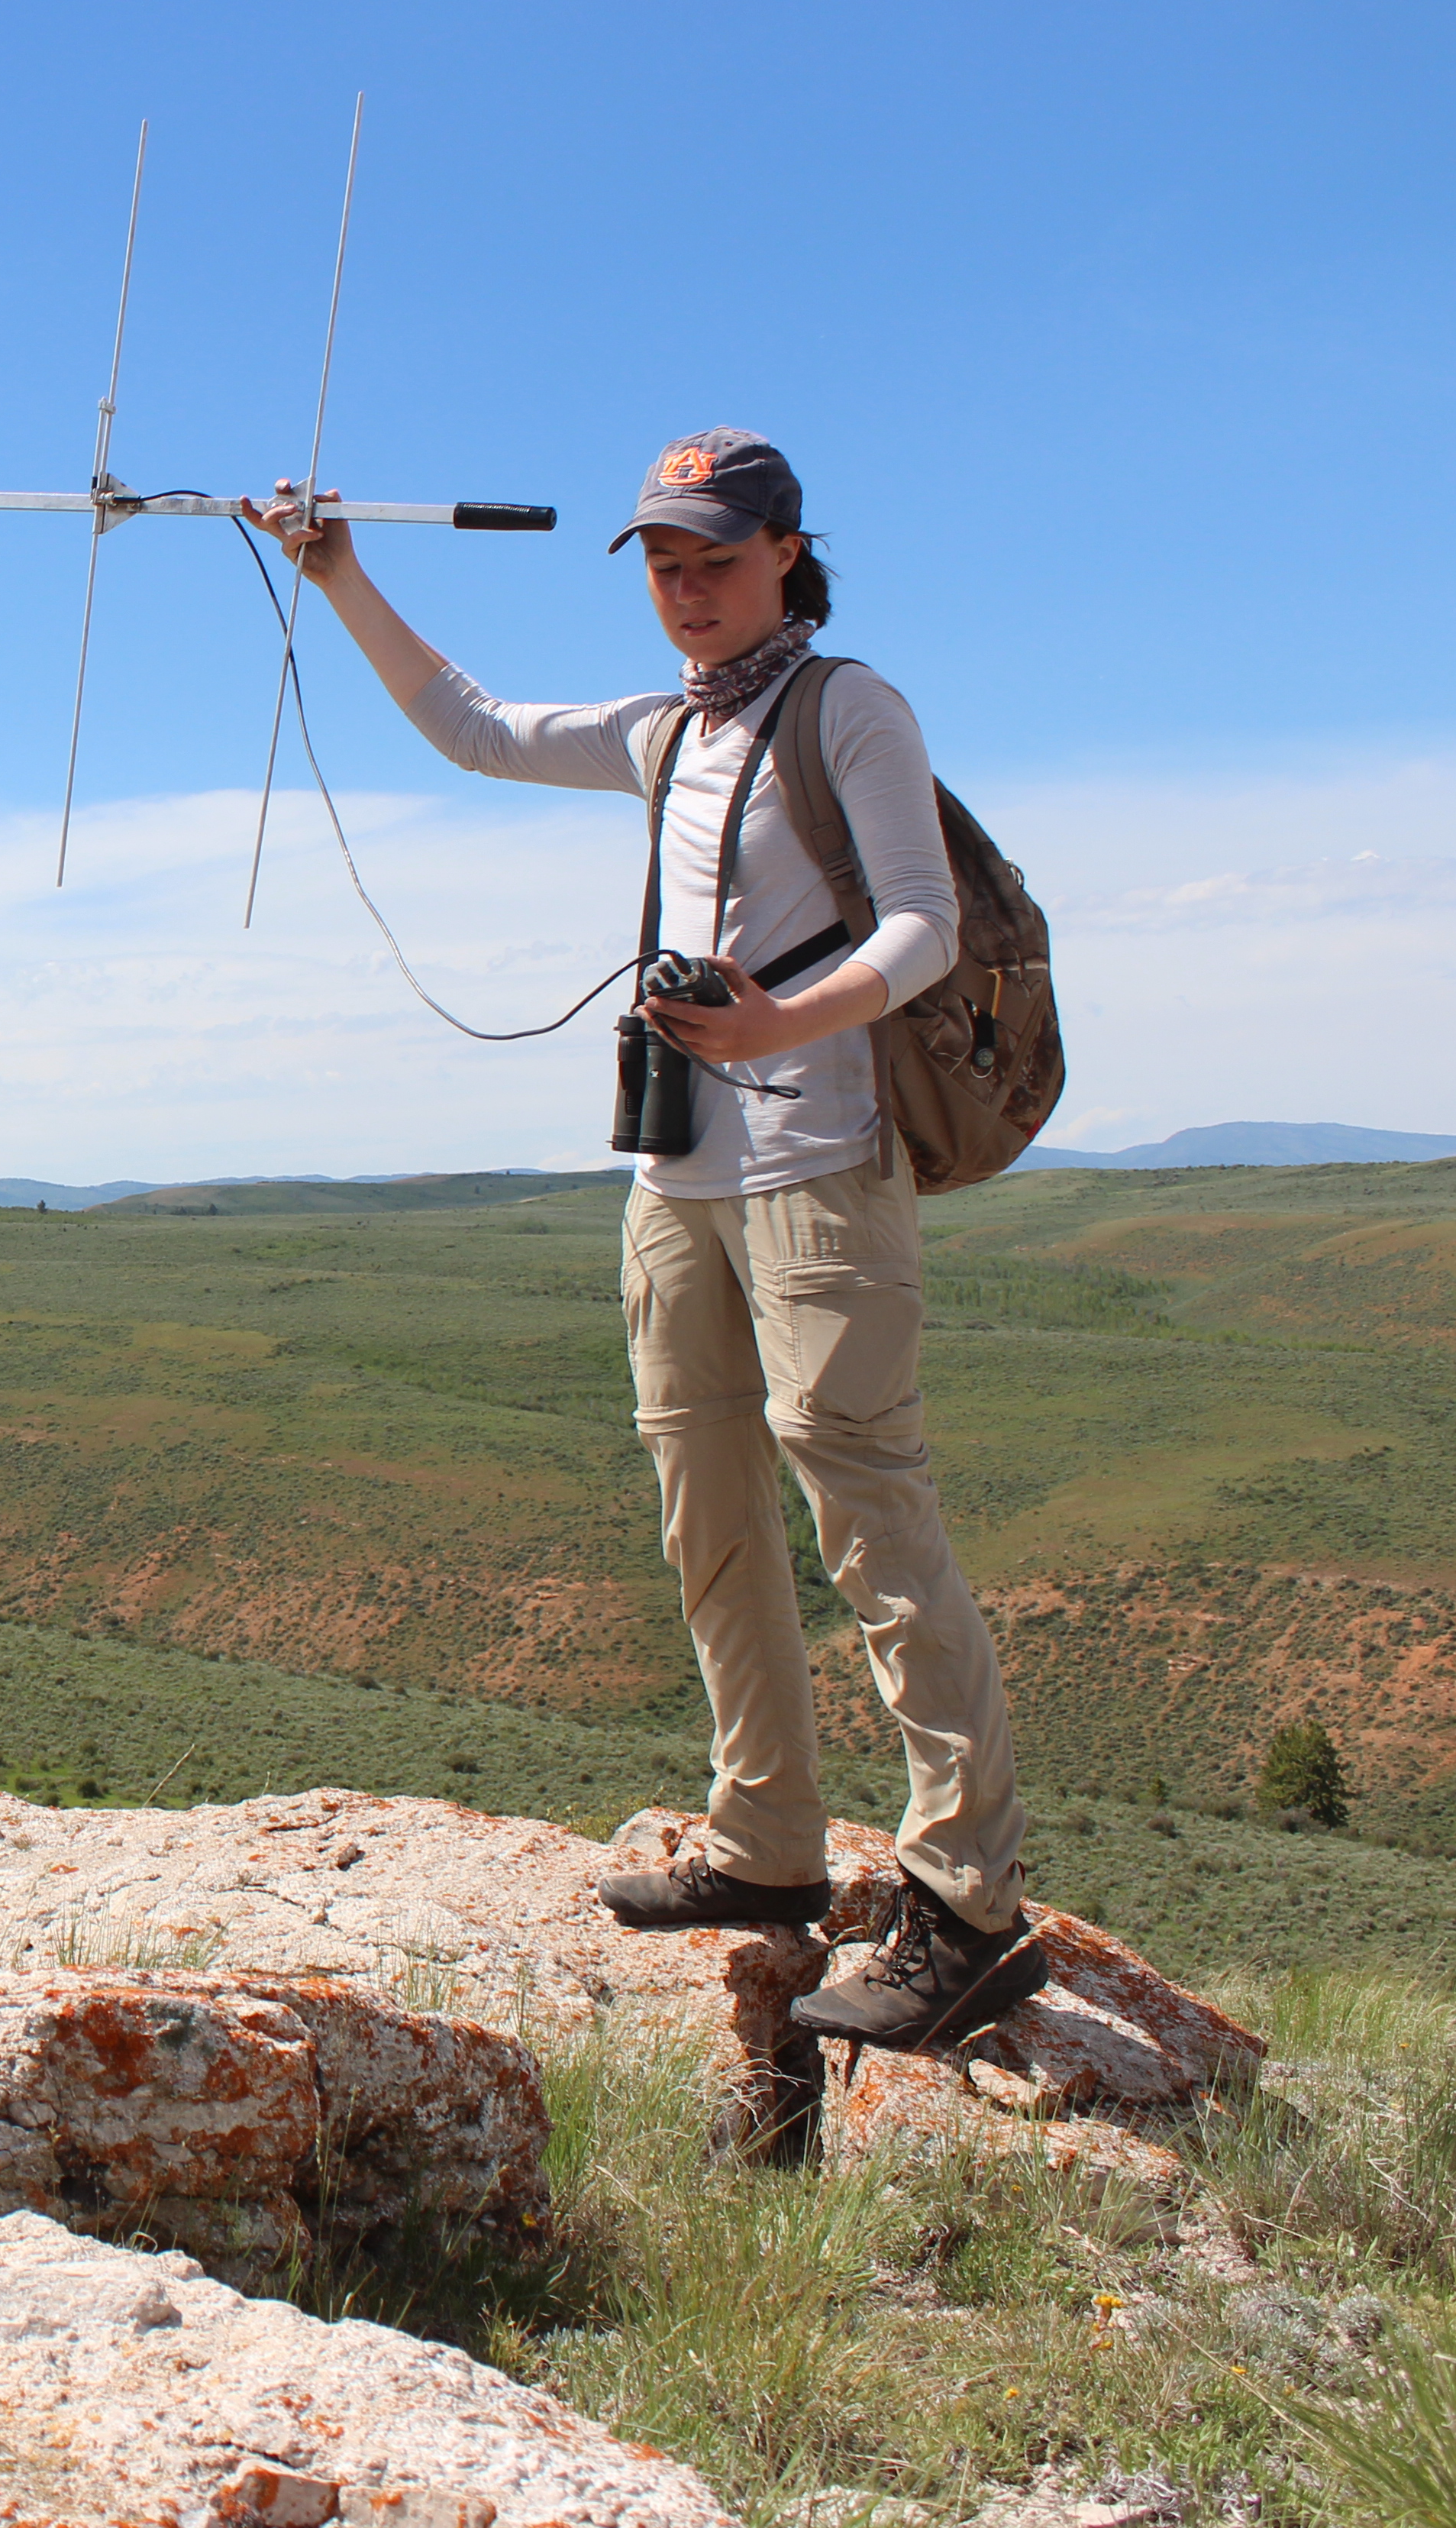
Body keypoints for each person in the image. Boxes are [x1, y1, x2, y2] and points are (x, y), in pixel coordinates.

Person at [247, 430, 1045, 2050]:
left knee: (866, 1506)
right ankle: (765, 1847)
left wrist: (780, 1025)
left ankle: (965, 1897)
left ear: (788, 555)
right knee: (706, 1495)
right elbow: (472, 728)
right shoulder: (666, 733)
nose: (688, 591)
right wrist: (338, 575)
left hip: (824, 1156)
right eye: (666, 566)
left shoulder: (851, 711)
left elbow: (921, 921)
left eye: (716, 561)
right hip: (682, 1173)